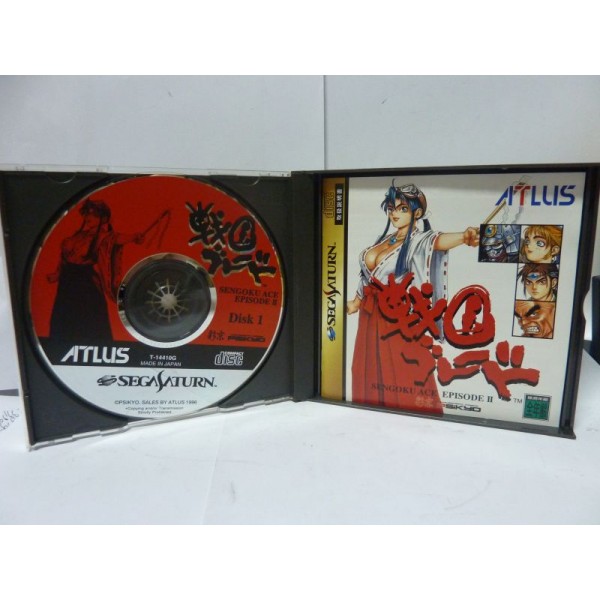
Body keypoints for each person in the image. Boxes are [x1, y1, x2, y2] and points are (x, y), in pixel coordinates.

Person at [346, 182, 479, 414]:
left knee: (403, 371)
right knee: (365, 368)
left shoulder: (420, 240)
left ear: (416, 213)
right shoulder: (384, 239)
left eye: (402, 209)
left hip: (397, 319)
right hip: (369, 317)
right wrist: (355, 302)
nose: (394, 214)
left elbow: (439, 241)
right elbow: (367, 278)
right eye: (391, 208)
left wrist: (465, 237)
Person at [47, 198, 144, 341]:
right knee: (64, 318)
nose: (88, 217)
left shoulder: (105, 237)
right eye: (87, 214)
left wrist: (134, 237)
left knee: (89, 320)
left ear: (103, 218)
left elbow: (117, 239)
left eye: (94, 215)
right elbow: (64, 258)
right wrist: (57, 274)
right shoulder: (78, 235)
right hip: (67, 282)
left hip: (86, 283)